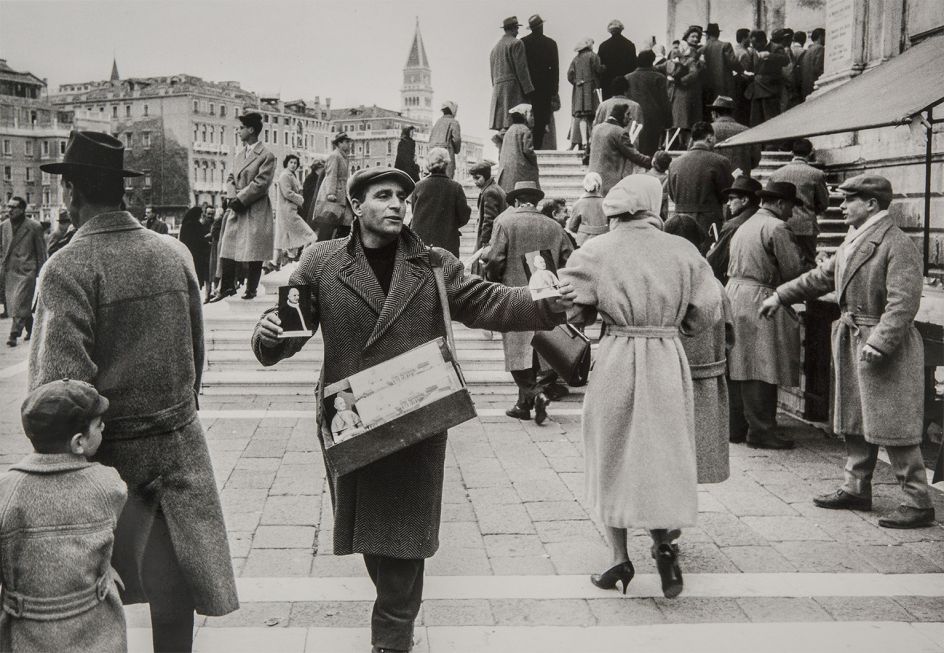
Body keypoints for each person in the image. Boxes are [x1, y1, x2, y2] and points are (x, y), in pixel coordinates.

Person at [251, 167, 574, 653]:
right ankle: (394, 625)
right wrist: (269, 335)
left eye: (403, 196)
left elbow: (490, 302)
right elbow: (289, 330)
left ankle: (391, 640)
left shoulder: (433, 263)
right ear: (357, 206)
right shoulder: (320, 262)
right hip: (352, 418)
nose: (397, 204)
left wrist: (543, 303)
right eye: (383, 196)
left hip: (417, 416)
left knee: (403, 545)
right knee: (374, 542)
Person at [32, 130, 238, 652]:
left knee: (94, 597)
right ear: (121, 191)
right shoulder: (175, 254)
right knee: (175, 593)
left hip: (110, 462)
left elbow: (61, 390)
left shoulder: (68, 266)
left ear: (73, 192)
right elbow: (196, 355)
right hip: (178, 447)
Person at [560, 174, 722, 600]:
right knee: (662, 452)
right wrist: (673, 324)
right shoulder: (683, 250)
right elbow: (707, 309)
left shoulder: (595, 251)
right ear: (654, 204)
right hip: (667, 357)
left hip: (617, 355)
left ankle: (617, 557)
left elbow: (572, 312)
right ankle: (664, 544)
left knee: (610, 451)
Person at [762, 174, 935, 529]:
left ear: (871, 204)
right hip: (855, 337)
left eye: (848, 200)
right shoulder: (854, 240)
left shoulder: (896, 243)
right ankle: (856, 487)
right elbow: (821, 277)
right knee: (855, 417)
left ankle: (918, 501)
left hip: (882, 345)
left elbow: (903, 303)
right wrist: (780, 294)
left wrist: (880, 342)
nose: (840, 206)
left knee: (893, 422)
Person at [0, 380, 127, 653]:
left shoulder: (6, 491)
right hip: (95, 629)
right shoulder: (108, 485)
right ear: (78, 443)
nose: (103, 426)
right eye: (97, 424)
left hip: (26, 632)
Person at [726, 180, 810, 450]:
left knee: (739, 364)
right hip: (759, 298)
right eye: (791, 207)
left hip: (736, 294)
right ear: (781, 204)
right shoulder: (777, 227)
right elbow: (793, 271)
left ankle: (736, 427)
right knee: (762, 365)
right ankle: (761, 431)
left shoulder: (745, 223)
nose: (791, 214)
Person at [485, 180, 573, 425]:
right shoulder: (555, 226)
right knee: (539, 349)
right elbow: (569, 259)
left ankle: (535, 395)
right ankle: (523, 405)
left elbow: (494, 260)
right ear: (536, 202)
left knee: (516, 352)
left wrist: (494, 279)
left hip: (515, 295)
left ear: (514, 201)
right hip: (548, 297)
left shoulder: (505, 222)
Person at [664, 213, 734, 488]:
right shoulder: (713, 283)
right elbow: (729, 335)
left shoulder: (662, 282)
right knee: (698, 449)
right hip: (706, 378)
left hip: (669, 374)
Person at [213, 111, 276, 302]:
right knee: (228, 244)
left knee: (254, 247)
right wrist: (232, 198)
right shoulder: (239, 154)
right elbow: (230, 178)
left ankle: (251, 288)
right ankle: (226, 287)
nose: (238, 132)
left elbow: (261, 183)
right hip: (237, 206)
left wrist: (240, 199)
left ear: (251, 129)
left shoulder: (266, 155)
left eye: (241, 128)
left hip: (254, 206)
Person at [666, 121, 734, 249]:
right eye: (714, 138)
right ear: (709, 137)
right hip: (708, 221)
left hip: (680, 219)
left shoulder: (675, 163)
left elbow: (672, 195)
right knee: (707, 258)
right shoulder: (720, 161)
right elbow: (726, 194)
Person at [769, 138, 829, 264]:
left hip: (780, 224)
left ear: (792, 153)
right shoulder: (817, 174)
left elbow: (769, 201)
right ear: (811, 152)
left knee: (783, 262)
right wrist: (811, 211)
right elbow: (823, 202)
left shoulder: (776, 174)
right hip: (806, 226)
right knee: (807, 263)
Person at [409, 147, 472, 258]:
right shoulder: (455, 187)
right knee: (447, 274)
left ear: (429, 164)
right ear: (446, 164)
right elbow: (464, 217)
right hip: (447, 244)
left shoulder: (418, 186)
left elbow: (414, 212)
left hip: (421, 244)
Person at [1, 196, 46, 347]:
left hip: (27, 272)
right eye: (8, 207)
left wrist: (42, 272)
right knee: (18, 304)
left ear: (22, 209)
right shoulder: (4, 226)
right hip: (10, 271)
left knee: (20, 301)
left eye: (13, 207)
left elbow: (41, 252)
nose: (10, 210)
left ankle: (13, 334)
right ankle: (32, 328)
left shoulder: (34, 226)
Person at [706, 175, 762, 285]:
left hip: (739, 285)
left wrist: (713, 249)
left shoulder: (732, 225)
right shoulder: (768, 219)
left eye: (732, 199)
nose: (728, 203)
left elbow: (713, 262)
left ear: (744, 200)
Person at [589, 103, 653, 195]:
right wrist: (652, 162)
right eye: (628, 114)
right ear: (620, 115)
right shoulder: (620, 132)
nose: (630, 118)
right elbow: (633, 155)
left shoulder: (596, 129)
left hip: (592, 181)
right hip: (611, 185)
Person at [489, 16, 535, 136]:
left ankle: (502, 152)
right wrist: (529, 91)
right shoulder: (517, 43)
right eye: (516, 28)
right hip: (513, 91)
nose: (518, 31)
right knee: (515, 125)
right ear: (513, 29)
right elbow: (522, 69)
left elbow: (492, 75)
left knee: (503, 128)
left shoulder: (495, 48)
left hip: (498, 92)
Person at [521, 14, 560, 150]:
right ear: (542, 26)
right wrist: (554, 90)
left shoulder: (523, 42)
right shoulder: (551, 43)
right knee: (542, 121)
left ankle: (528, 148)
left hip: (527, 88)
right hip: (545, 88)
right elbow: (555, 69)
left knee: (528, 118)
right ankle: (537, 147)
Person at [625, 49, 672, 156]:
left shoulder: (627, 78)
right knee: (651, 150)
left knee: (633, 148)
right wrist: (668, 121)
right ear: (652, 61)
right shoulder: (659, 77)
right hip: (653, 118)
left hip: (633, 117)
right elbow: (664, 101)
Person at [667, 25, 706, 148]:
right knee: (681, 119)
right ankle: (678, 143)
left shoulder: (698, 53)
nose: (695, 39)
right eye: (692, 36)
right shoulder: (678, 51)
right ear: (686, 37)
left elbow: (696, 73)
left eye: (697, 37)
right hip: (680, 91)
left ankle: (685, 144)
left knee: (687, 119)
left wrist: (680, 79)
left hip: (690, 90)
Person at [312, 132, 354, 241]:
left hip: (342, 193)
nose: (349, 145)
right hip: (334, 195)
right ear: (339, 143)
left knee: (347, 220)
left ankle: (339, 246)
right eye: (346, 142)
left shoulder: (343, 157)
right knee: (329, 223)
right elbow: (331, 175)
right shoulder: (335, 156)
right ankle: (321, 250)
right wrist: (331, 193)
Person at [275, 153, 315, 264]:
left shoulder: (291, 175)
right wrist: (301, 199)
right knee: (310, 235)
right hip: (288, 211)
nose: (293, 165)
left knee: (288, 239)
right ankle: (304, 258)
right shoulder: (285, 176)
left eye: (295, 163)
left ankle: (280, 261)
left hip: (291, 210)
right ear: (286, 163)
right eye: (291, 162)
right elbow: (287, 193)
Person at [568, 37, 604, 153]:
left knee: (582, 117)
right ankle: (591, 141)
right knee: (592, 117)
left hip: (579, 92)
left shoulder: (575, 59)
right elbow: (598, 69)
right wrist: (604, 68)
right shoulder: (593, 56)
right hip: (592, 90)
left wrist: (576, 82)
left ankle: (583, 141)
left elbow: (569, 75)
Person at [746, 30, 790, 127]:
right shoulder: (754, 50)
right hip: (757, 90)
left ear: (762, 41)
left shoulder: (776, 47)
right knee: (756, 121)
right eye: (752, 44)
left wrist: (770, 56)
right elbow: (751, 67)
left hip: (770, 91)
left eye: (755, 44)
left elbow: (786, 60)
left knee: (770, 120)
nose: (754, 46)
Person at [709, 95, 760, 176]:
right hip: (740, 183)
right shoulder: (747, 131)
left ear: (715, 113)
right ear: (732, 113)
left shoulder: (705, 130)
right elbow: (755, 160)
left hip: (713, 181)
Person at [497, 104, 540, 194]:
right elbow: (528, 151)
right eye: (531, 115)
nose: (533, 118)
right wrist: (534, 161)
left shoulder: (510, 130)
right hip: (520, 172)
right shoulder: (525, 130)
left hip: (508, 172)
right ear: (524, 116)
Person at [701, 23, 741, 113]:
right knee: (726, 110)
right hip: (724, 84)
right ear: (718, 34)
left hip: (708, 86)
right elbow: (733, 63)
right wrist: (742, 70)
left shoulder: (702, 48)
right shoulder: (725, 45)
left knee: (711, 110)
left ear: (707, 35)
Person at [470, 161, 506, 253]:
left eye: (477, 178)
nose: (475, 182)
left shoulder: (489, 192)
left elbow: (489, 220)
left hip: (490, 241)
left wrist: (484, 243)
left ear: (486, 176)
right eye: (473, 178)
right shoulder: (493, 188)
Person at [597, 19, 637, 100]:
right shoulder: (630, 45)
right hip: (625, 82)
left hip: (608, 83)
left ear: (609, 31)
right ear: (621, 29)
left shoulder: (603, 46)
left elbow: (600, 66)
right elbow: (634, 65)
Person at [567, 172, 607, 246]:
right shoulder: (606, 203)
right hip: (604, 241)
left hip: (584, 242)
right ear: (599, 186)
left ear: (584, 186)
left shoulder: (578, 204)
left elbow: (572, 227)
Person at [178, 206, 211, 290]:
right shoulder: (195, 224)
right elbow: (199, 239)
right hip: (197, 253)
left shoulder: (185, 224)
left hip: (187, 252)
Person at [428, 101, 462, 179]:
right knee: (447, 178)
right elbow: (456, 140)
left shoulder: (437, 122)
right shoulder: (454, 122)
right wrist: (456, 150)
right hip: (447, 153)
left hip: (433, 154)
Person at [732, 28, 755, 125]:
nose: (751, 40)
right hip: (743, 86)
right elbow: (744, 73)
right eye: (749, 37)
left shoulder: (734, 49)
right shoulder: (744, 53)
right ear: (743, 38)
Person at [799, 28, 825, 100]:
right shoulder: (820, 48)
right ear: (820, 36)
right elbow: (818, 69)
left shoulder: (808, 50)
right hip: (814, 86)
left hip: (806, 86)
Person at [301, 157, 326, 227]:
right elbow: (308, 192)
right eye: (322, 168)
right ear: (318, 168)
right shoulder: (310, 178)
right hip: (310, 205)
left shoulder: (320, 178)